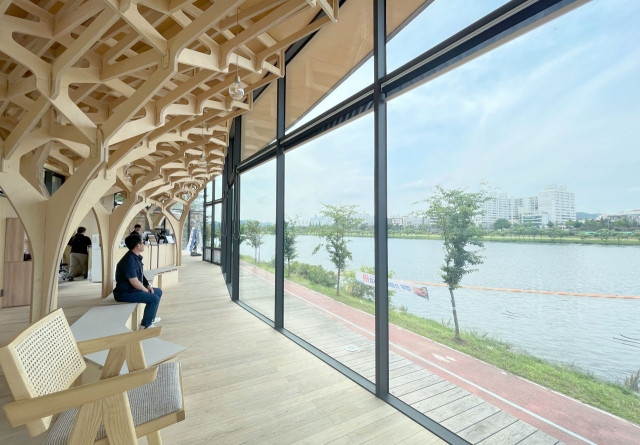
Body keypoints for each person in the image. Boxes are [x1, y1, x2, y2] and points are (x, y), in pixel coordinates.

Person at [113, 235, 163, 329]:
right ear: (138, 246)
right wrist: (146, 290)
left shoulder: (136, 257)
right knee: (154, 298)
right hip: (125, 293)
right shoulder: (128, 260)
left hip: (133, 289)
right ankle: (145, 325)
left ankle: (151, 318)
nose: (144, 244)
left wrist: (148, 285)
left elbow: (140, 274)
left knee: (158, 292)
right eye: (142, 242)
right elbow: (134, 282)